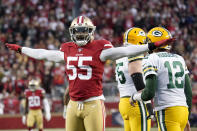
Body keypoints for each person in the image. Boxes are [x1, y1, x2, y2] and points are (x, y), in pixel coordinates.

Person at [6, 16, 174, 131]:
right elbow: (43, 54)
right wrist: (22, 49)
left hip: (93, 103)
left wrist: (150, 46)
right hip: (73, 104)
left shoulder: (101, 47)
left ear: (91, 31)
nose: (80, 34)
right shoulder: (67, 49)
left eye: (83, 30)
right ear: (72, 32)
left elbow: (125, 51)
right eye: (77, 31)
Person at [130, 27, 192, 131]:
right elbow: (188, 93)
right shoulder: (179, 58)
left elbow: (149, 93)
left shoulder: (151, 58)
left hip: (167, 110)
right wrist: (186, 117)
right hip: (183, 111)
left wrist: (134, 97)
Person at [115, 27, 153, 131]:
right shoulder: (135, 54)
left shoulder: (120, 56)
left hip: (123, 102)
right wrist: (148, 103)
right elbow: (138, 80)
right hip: (136, 101)